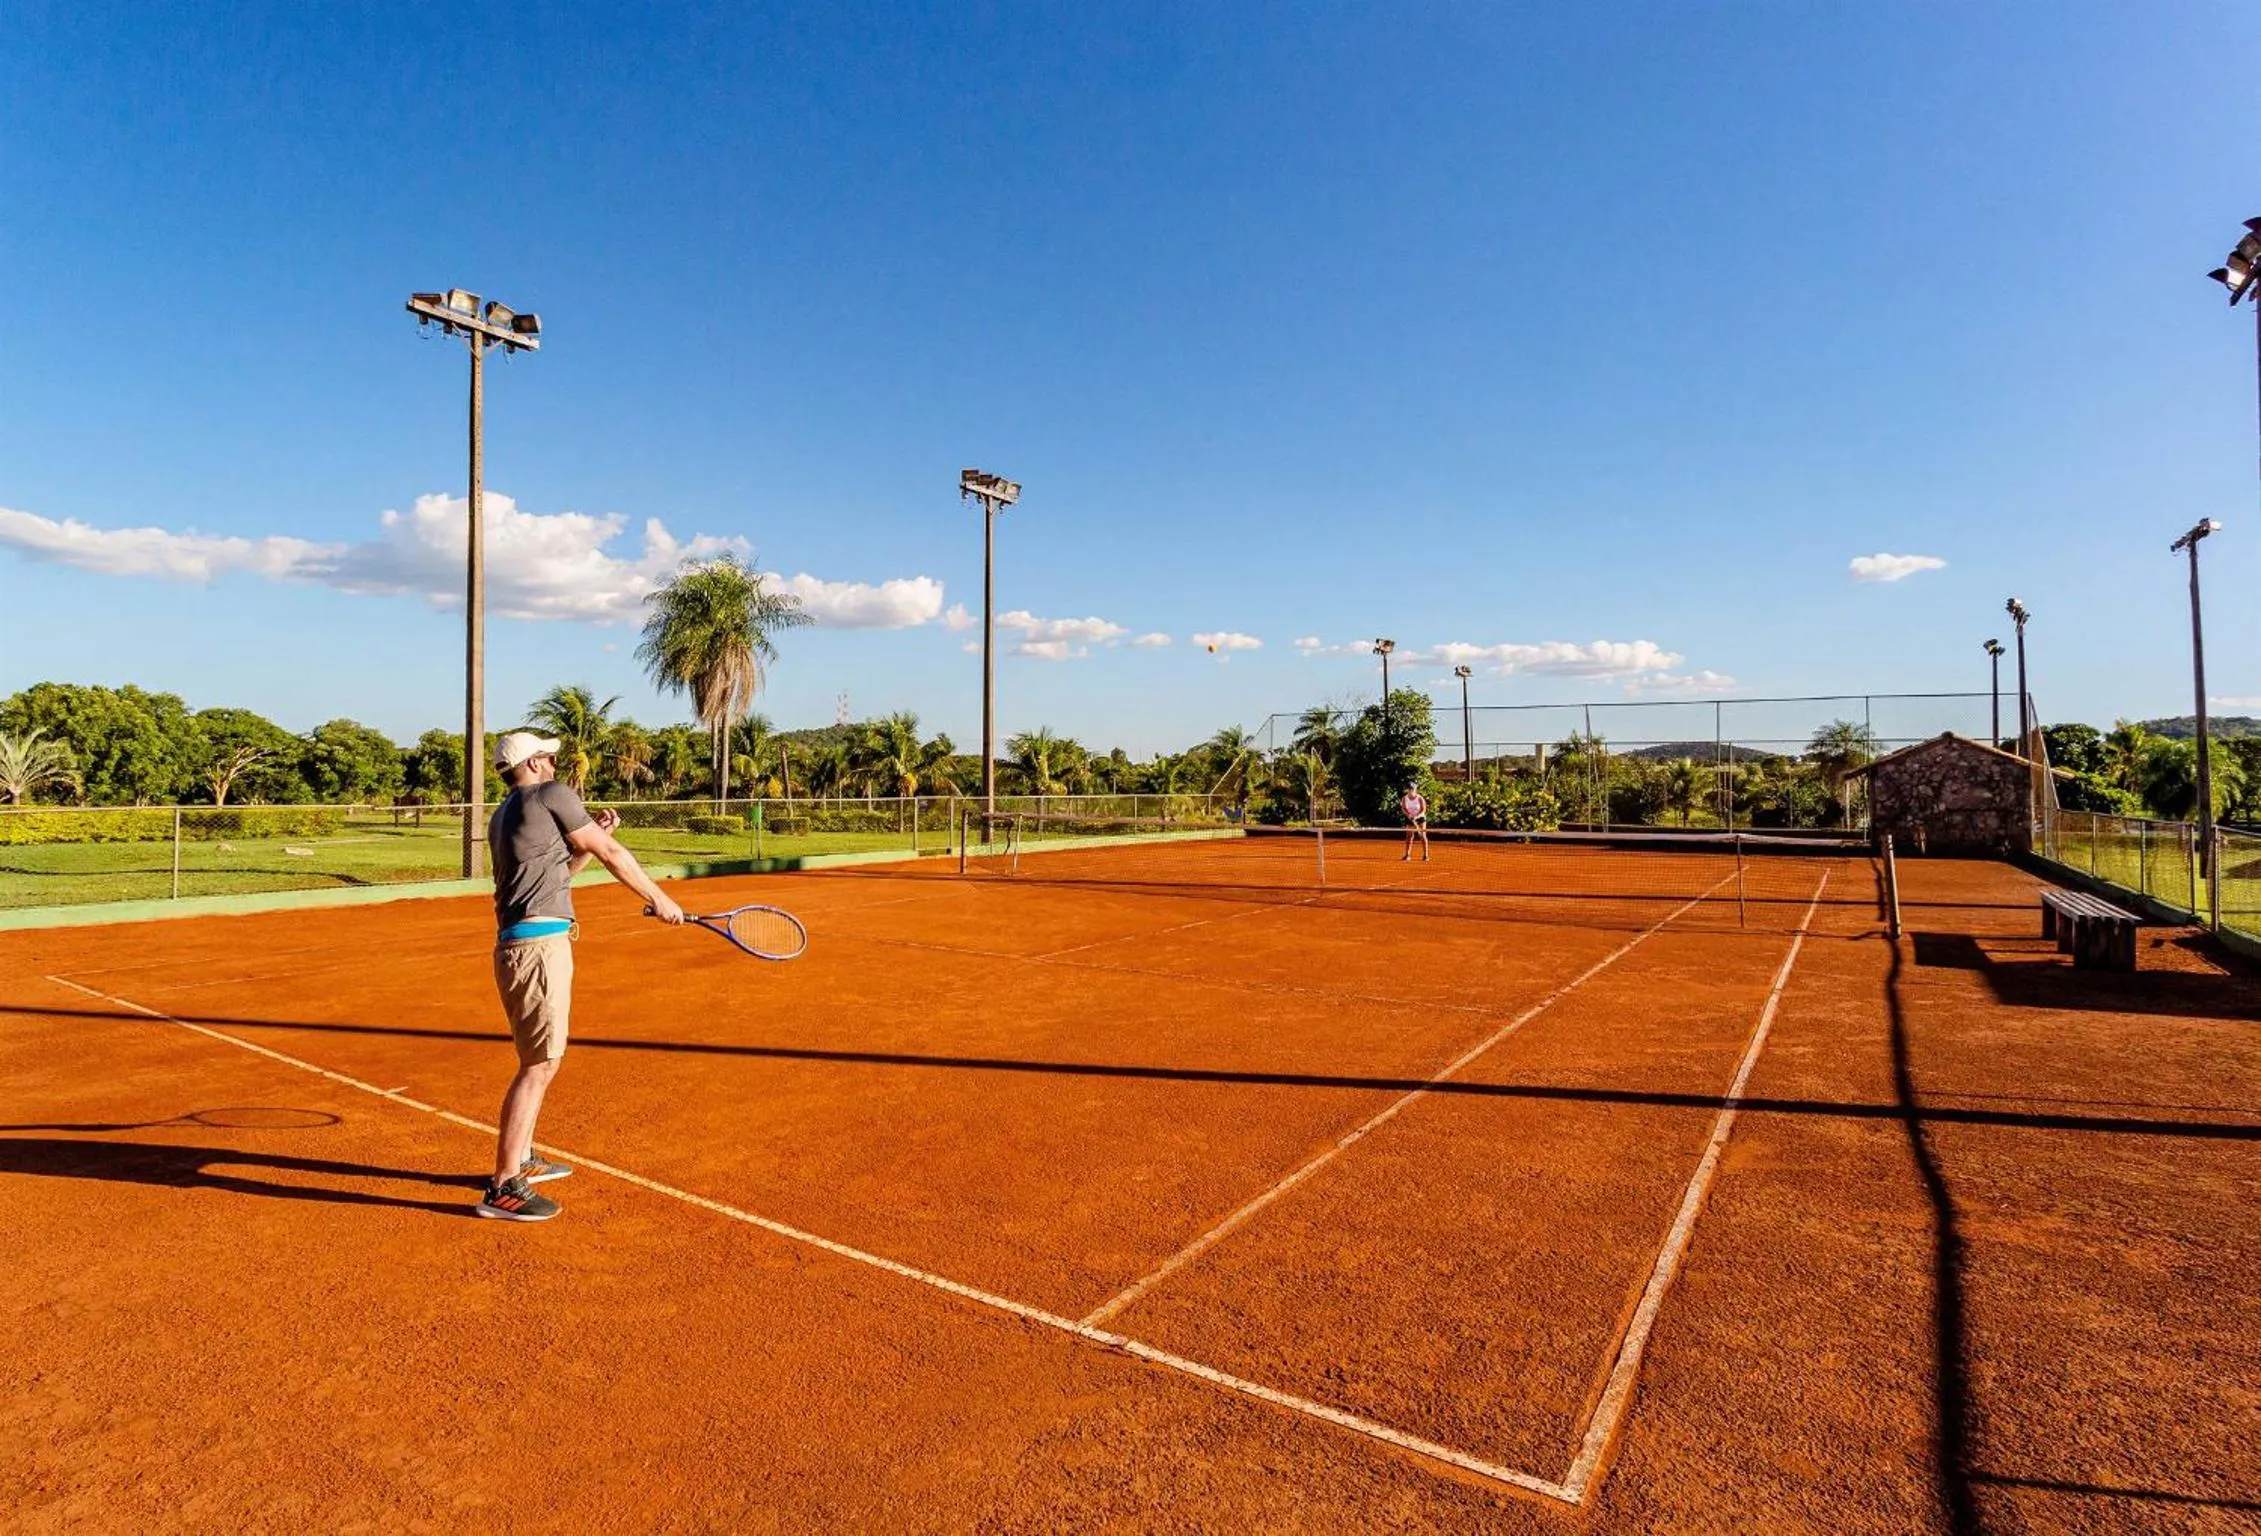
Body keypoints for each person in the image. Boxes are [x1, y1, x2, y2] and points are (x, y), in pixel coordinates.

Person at [477, 731, 684, 1222]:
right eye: (547, 757)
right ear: (531, 764)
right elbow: (615, 857)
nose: (554, 764)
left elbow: (556, 876)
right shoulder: (551, 794)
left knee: (538, 1057)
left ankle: (522, 1159)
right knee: (541, 1064)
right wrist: (660, 897)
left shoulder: (504, 812)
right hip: (537, 951)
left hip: (523, 946)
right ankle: (505, 1185)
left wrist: (593, 841)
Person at [1400, 782, 1430, 862]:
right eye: (1409, 789)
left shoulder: (1420, 798)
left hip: (1420, 818)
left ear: (1415, 789)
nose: (1411, 790)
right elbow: (1403, 808)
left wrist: (1416, 816)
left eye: (1412, 788)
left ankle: (1426, 855)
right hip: (1409, 818)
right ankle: (1407, 855)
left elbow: (1423, 809)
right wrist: (1408, 815)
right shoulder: (1404, 798)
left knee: (1422, 836)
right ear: (1407, 790)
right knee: (1409, 836)